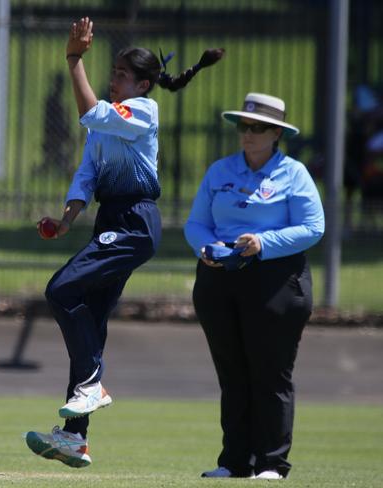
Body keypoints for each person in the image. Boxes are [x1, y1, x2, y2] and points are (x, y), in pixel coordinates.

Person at [25, 16, 224, 468]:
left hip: (136, 222)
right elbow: (87, 174)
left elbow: (90, 112)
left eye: (120, 74)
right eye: (111, 72)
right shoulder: (109, 123)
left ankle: (92, 384)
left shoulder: (144, 113)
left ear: (144, 84)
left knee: (59, 290)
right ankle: (75, 439)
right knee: (89, 322)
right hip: (110, 223)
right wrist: (65, 218)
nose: (112, 79)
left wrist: (73, 58)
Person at [183, 93, 325, 479]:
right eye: (243, 126)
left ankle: (271, 462)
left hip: (275, 279)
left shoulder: (293, 173)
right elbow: (196, 223)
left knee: (270, 372)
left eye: (257, 127)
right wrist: (206, 248)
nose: (247, 134)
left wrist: (264, 243)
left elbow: (313, 228)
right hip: (219, 276)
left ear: (276, 133)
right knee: (231, 371)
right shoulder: (220, 171)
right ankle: (234, 462)